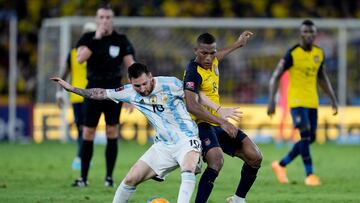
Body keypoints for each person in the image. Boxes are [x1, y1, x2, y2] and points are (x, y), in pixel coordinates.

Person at [51, 62, 201, 203]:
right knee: (130, 179)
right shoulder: (128, 92)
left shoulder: (171, 84)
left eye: (144, 83)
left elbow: (197, 98)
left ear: (150, 76)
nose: (142, 89)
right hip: (163, 145)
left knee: (188, 168)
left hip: (187, 139)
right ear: (130, 81)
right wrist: (72, 89)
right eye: (137, 86)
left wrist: (216, 114)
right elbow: (99, 93)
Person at [183, 32, 263, 203]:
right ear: (196, 51)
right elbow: (192, 105)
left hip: (217, 123)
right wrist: (222, 120)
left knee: (254, 156)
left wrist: (238, 44)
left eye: (212, 53)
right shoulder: (193, 72)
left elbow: (218, 55)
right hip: (201, 125)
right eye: (204, 53)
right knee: (216, 160)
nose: (209, 58)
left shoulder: (212, 61)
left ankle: (238, 199)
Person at [267, 19, 338, 186]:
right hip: (296, 101)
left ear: (315, 34)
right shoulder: (292, 53)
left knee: (310, 138)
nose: (309, 35)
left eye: (312, 32)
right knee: (305, 134)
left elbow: (322, 77)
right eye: (306, 32)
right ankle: (310, 175)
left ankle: (281, 164)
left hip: (312, 101)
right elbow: (276, 75)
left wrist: (333, 98)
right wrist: (271, 101)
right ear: (301, 33)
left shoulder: (319, 53)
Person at [73, 4, 135, 187]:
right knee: (88, 132)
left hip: (114, 92)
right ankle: (83, 178)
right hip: (92, 91)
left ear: (112, 19)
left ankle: (109, 178)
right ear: (96, 19)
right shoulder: (87, 38)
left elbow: (131, 66)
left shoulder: (121, 40)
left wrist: (131, 94)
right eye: (102, 17)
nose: (105, 20)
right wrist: (97, 38)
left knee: (112, 131)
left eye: (108, 17)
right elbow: (79, 58)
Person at [56, 22, 97, 171]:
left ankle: (82, 157)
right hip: (77, 96)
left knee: (86, 129)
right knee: (82, 129)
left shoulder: (96, 51)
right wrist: (59, 92)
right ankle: (82, 157)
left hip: (92, 95)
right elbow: (64, 73)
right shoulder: (74, 53)